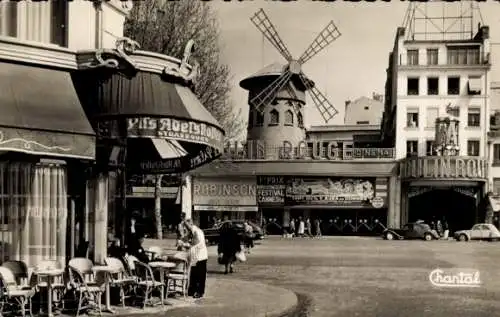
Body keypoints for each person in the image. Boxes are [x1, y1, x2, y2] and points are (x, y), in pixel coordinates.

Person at [183, 219, 208, 299]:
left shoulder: (196, 231)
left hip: (200, 256)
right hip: (196, 256)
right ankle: (192, 290)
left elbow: (196, 243)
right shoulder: (193, 231)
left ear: (191, 224)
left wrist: (186, 244)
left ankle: (199, 292)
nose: (186, 228)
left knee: (200, 275)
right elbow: (189, 239)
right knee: (194, 273)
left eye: (187, 226)